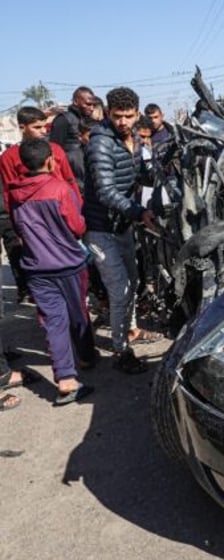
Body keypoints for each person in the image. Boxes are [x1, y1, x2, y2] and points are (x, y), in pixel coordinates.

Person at [8, 139, 97, 405]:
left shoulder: (13, 192)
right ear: (50, 160)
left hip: (36, 268)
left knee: (53, 322)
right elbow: (77, 226)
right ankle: (86, 356)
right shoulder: (59, 188)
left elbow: (18, 228)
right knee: (78, 313)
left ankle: (66, 379)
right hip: (68, 264)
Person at [83, 87, 161, 374]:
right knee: (120, 290)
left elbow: (140, 175)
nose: (123, 122)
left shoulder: (136, 140)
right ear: (108, 113)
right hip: (101, 228)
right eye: (117, 116)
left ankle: (130, 331)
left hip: (123, 225)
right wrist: (140, 213)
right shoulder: (100, 144)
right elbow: (105, 190)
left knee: (133, 282)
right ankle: (120, 351)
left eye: (129, 116)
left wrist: (160, 172)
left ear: (137, 114)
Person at [1, 107, 81, 305]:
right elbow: (10, 194)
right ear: (22, 127)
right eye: (37, 127)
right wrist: (19, 229)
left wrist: (77, 211)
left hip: (62, 214)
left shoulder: (56, 150)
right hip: (34, 221)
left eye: (44, 126)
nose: (43, 131)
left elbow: (70, 181)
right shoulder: (10, 157)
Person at [49, 86, 96, 188]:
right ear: (76, 101)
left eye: (93, 105)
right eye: (88, 104)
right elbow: (55, 150)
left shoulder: (87, 120)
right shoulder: (64, 120)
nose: (91, 108)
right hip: (72, 178)